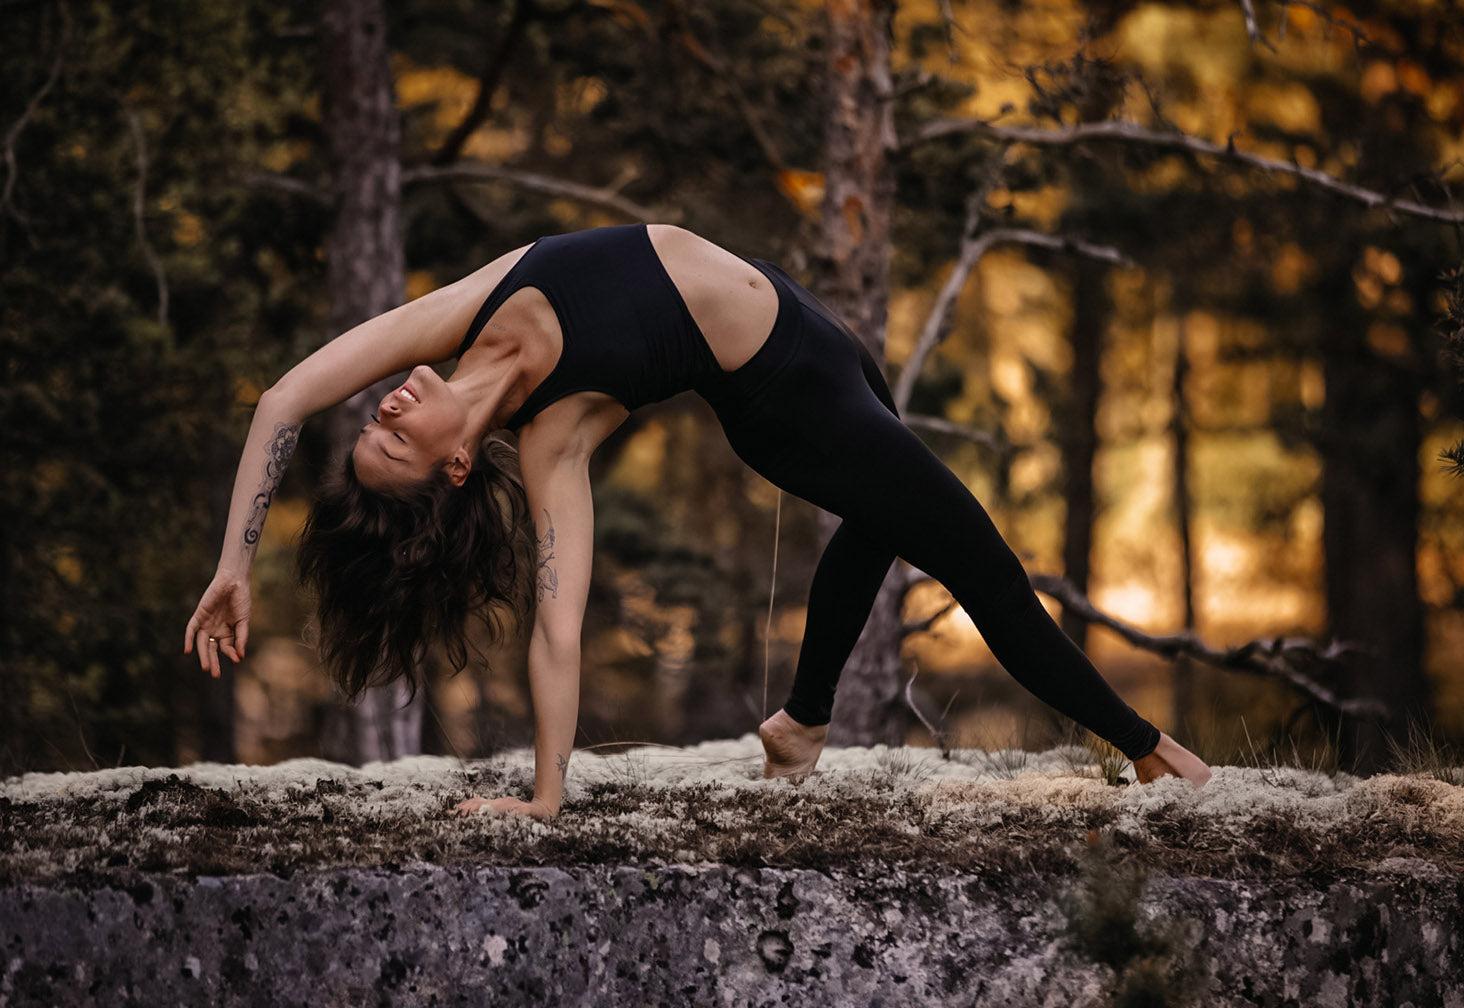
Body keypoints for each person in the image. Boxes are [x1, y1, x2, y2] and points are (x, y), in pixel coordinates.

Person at [185, 223, 1212, 818]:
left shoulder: (468, 305)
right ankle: (1155, 753)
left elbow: (283, 401)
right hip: (791, 402)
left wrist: (235, 565)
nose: (389, 409)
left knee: (887, 523)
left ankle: (799, 726)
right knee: (982, 566)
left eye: (379, 421)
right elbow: (555, 628)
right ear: (456, 467)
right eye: (394, 443)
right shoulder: (554, 447)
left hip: (819, 334)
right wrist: (547, 797)